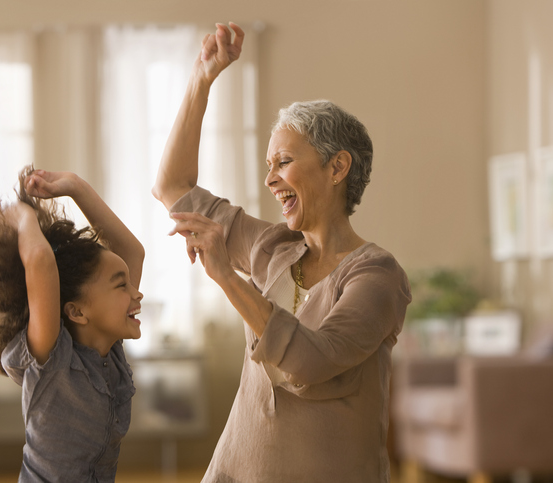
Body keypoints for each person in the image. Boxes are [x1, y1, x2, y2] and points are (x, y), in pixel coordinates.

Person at [152, 23, 412, 482]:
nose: (271, 180)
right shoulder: (273, 249)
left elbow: (312, 361)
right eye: (269, 166)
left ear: (337, 167)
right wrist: (201, 80)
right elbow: (173, 187)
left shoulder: (377, 277)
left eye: (284, 163)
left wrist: (228, 279)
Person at [0, 166, 145, 482]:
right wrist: (23, 214)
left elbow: (133, 251)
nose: (138, 293)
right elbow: (40, 261)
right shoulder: (52, 359)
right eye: (122, 286)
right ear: (77, 312)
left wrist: (76, 186)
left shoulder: (110, 349)